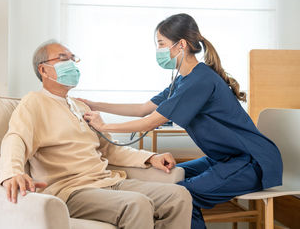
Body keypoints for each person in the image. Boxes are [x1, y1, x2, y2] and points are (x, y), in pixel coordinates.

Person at [82, 13, 283, 229]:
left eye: (161, 44)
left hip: (251, 162)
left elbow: (149, 122)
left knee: (182, 194)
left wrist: (103, 126)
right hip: (224, 158)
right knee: (170, 180)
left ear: (181, 45)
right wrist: (95, 104)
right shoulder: (183, 80)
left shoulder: (199, 80)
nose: (158, 50)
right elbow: (143, 109)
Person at [0, 40, 193, 229]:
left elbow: (110, 149)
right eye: (62, 58)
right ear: (43, 70)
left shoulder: (81, 106)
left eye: (72, 58)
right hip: (71, 190)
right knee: (136, 204)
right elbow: (16, 138)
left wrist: (151, 157)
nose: (71, 64)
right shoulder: (34, 102)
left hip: (107, 181)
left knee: (179, 196)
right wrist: (12, 173)